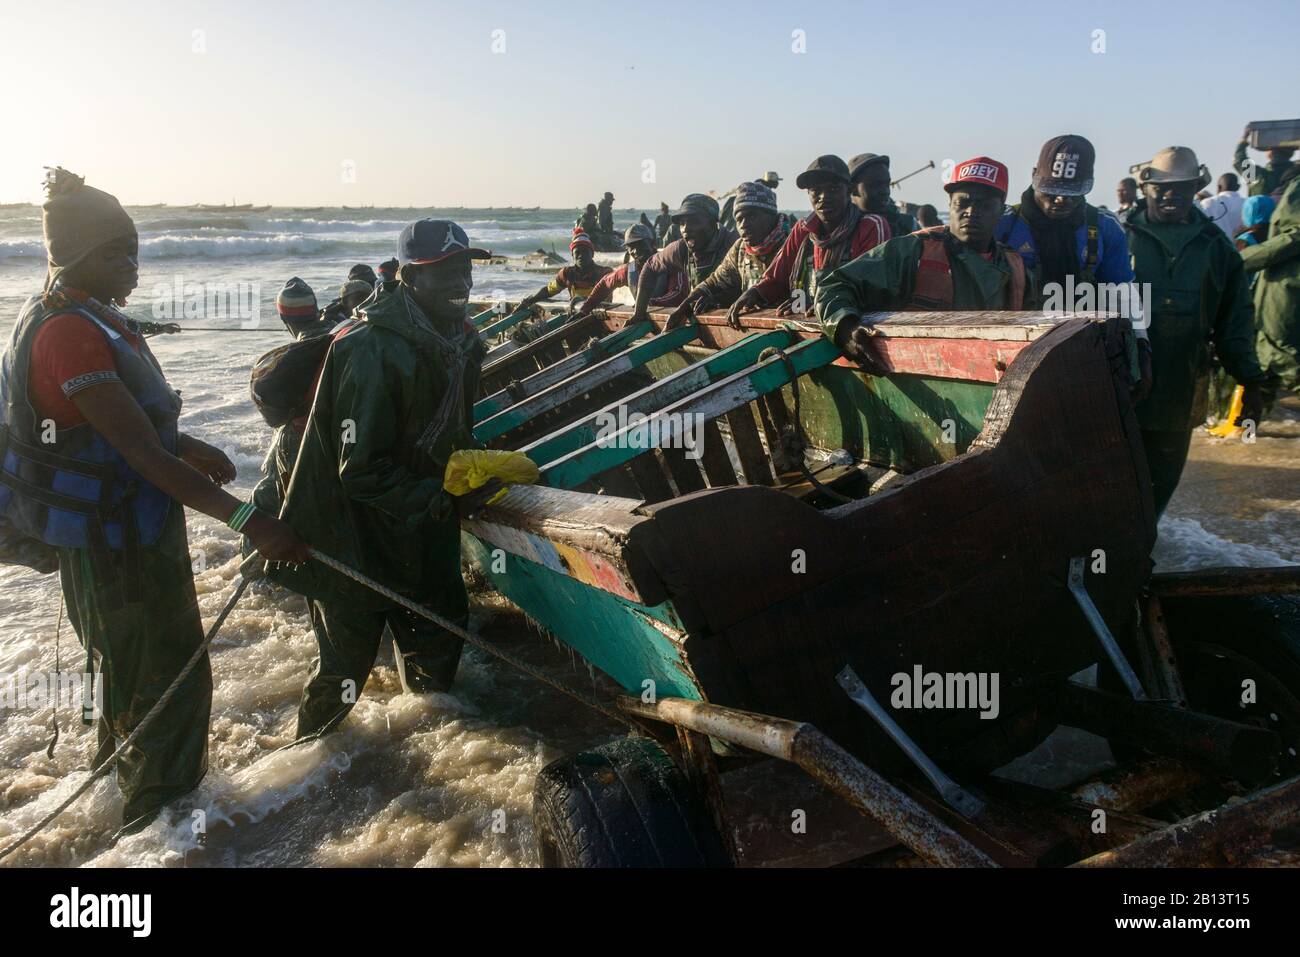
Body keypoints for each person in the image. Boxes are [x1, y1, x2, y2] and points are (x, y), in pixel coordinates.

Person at [0, 168, 307, 832]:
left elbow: (127, 428)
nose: (133, 266)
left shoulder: (87, 313)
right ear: (79, 255)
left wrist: (189, 442)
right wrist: (253, 523)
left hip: (130, 532)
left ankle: (124, 805)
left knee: (131, 679)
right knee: (167, 686)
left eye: (135, 248)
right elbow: (140, 455)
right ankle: (158, 833)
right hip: (114, 548)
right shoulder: (67, 333)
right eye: (117, 252)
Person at [269, 219, 498, 737]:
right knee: (345, 668)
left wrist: (475, 470)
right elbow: (361, 469)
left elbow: (453, 430)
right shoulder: (371, 347)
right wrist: (444, 501)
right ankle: (303, 773)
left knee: (439, 641)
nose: (460, 282)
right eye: (444, 272)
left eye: (465, 268)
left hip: (419, 527)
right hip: (349, 534)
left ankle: (424, 749)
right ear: (407, 278)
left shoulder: (463, 341)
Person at [1123, 147, 1267, 515]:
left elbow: (1235, 324)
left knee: (1158, 489)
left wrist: (1250, 381)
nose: (1172, 196)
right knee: (1114, 484)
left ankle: (1144, 558)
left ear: (1195, 189)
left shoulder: (1216, 248)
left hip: (1181, 388)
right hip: (1121, 387)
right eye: (1163, 188)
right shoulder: (1119, 238)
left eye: (1182, 189)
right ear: (1146, 188)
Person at [815, 155, 1035, 366]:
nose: (971, 212)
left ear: (1001, 210)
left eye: (984, 205)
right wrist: (845, 329)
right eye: (962, 203)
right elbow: (834, 285)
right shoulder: (912, 250)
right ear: (950, 204)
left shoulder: (1016, 268)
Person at [728, 155, 890, 324]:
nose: (823, 197)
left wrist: (823, 303)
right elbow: (777, 277)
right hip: (812, 322)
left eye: (833, 189)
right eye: (816, 191)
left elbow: (871, 286)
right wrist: (753, 293)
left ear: (848, 190)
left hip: (855, 323)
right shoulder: (803, 229)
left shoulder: (870, 226)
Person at [666, 181, 790, 328]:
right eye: (738, 219)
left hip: (790, 328)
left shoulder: (794, 244)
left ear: (771, 215)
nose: (743, 224)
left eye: (751, 216)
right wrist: (683, 307)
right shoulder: (740, 249)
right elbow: (713, 282)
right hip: (754, 328)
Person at [629, 194, 737, 322]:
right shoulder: (681, 249)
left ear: (713, 223)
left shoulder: (733, 244)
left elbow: (758, 287)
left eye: (694, 222)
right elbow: (650, 267)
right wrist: (639, 312)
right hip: (702, 322)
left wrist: (719, 298)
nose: (686, 229)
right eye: (682, 223)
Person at [1242, 171, 1300, 407]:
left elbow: (1294, 237)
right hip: (1280, 288)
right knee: (1267, 369)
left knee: (1284, 359)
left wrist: (1240, 260)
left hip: (1287, 290)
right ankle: (1251, 433)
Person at [576, 224, 669, 315]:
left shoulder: (669, 264)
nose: (635, 251)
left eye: (640, 244)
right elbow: (605, 284)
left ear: (652, 243)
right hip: (644, 319)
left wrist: (650, 303)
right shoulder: (629, 271)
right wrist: (585, 310)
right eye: (631, 247)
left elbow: (680, 293)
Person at [517, 229, 613, 309]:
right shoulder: (567, 274)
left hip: (601, 316)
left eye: (585, 252)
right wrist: (529, 300)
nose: (581, 256)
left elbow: (602, 297)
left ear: (592, 254)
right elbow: (548, 291)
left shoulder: (605, 273)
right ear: (572, 255)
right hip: (577, 314)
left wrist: (580, 300)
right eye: (577, 252)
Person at [847, 153, 919, 237]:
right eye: (876, 184)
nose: (885, 191)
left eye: (887, 184)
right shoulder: (840, 228)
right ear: (853, 189)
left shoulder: (907, 226)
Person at [1234, 127, 1297, 197]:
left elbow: (1239, 160)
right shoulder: (1297, 175)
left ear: (1270, 152)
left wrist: (1244, 137)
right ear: (1291, 152)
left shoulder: (1255, 176)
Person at [1198, 173, 1246, 238]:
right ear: (1238, 187)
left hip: (1217, 246)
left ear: (1219, 187)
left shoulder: (1207, 203)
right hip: (1244, 246)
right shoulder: (1248, 203)